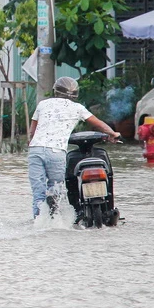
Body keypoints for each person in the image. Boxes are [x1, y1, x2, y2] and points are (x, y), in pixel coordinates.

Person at [27, 76, 120, 218]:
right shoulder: (77, 108)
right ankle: (54, 211)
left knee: (38, 193)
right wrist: (113, 134)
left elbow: (32, 132)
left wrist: (32, 143)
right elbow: (98, 124)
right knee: (56, 188)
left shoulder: (43, 104)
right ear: (75, 94)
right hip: (56, 151)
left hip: (36, 150)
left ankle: (39, 222)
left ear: (55, 90)